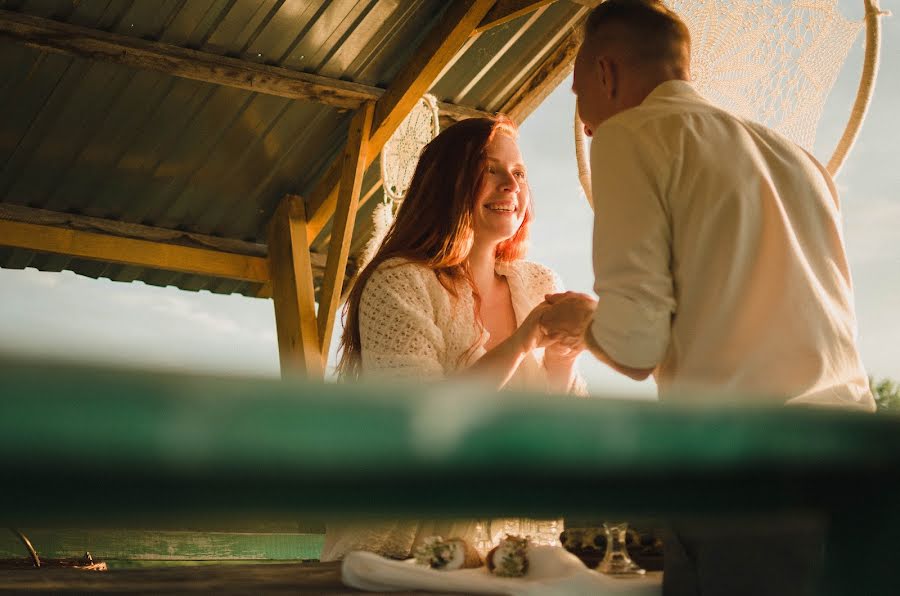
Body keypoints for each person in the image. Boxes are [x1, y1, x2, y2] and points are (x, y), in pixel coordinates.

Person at [540, 0, 875, 594]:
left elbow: (636, 346)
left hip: (748, 475)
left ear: (605, 73)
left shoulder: (629, 136)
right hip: (855, 469)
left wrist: (581, 319)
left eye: (575, 92)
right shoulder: (800, 161)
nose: (584, 117)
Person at [319, 115, 584, 562]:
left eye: (518, 173)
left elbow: (561, 435)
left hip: (514, 551)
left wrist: (562, 357)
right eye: (489, 169)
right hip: (405, 549)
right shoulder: (399, 282)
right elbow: (424, 422)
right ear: (447, 183)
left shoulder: (538, 283)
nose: (510, 185)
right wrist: (523, 340)